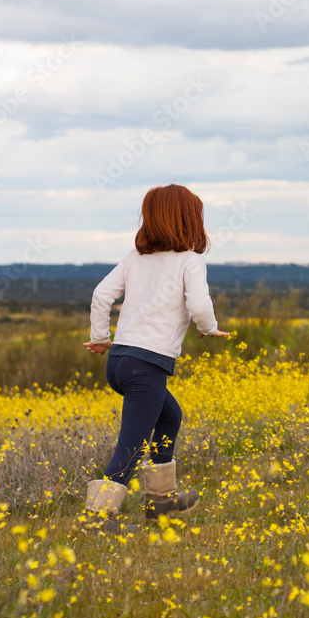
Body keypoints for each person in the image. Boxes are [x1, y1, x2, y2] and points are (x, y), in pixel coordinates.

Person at [81, 184, 229, 533]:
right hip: (146, 366)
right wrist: (209, 328)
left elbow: (102, 295)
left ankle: (161, 500)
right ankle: (97, 519)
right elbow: (199, 305)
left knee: (170, 417)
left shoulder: (135, 258)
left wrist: (101, 338)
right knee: (131, 446)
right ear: (190, 220)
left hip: (119, 361)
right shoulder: (190, 261)